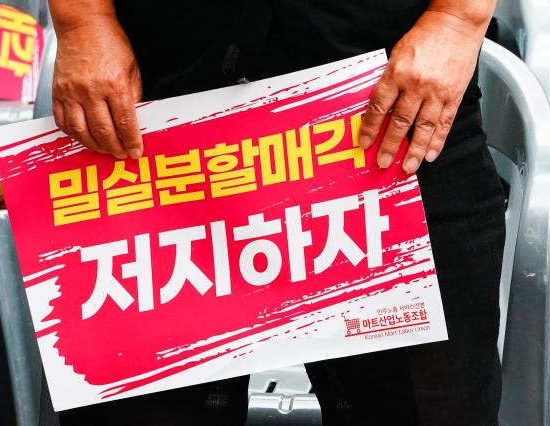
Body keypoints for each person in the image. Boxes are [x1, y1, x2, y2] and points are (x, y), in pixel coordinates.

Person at [49, 1, 505, 425]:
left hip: (390, 114)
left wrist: (457, 18)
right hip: (153, 117)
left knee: (426, 406)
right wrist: (81, 21)